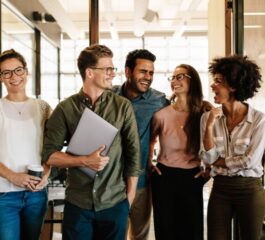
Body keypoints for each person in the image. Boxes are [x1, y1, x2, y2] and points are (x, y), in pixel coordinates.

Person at [42, 44, 141, 240]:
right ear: (89, 72)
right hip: (78, 203)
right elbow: (50, 155)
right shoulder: (65, 109)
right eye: (107, 69)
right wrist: (85, 160)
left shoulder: (122, 107)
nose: (113, 74)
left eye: (113, 68)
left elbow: (133, 154)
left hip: (114, 202)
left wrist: (129, 199)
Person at [200, 55, 265, 240]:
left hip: (250, 189)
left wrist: (217, 162)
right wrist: (210, 124)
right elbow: (206, 157)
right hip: (220, 188)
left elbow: (250, 161)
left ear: (234, 86)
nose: (213, 85)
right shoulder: (208, 118)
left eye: (219, 81)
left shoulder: (259, 120)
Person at [149, 64, 211, 240]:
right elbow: (151, 140)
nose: (175, 81)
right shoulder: (161, 115)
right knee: (165, 230)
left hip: (192, 177)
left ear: (193, 81)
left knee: (192, 231)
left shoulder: (204, 112)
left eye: (180, 76)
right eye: (173, 78)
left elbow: (214, 144)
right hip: (164, 176)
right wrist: (149, 163)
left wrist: (209, 169)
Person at [113, 49, 168, 240]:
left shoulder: (159, 100)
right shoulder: (109, 95)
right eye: (143, 71)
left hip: (141, 180)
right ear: (128, 72)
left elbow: (182, 112)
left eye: (151, 72)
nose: (148, 77)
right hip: (109, 181)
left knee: (140, 235)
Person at [0, 49, 51, 240]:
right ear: (1, 78)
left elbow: (52, 146)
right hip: (4, 196)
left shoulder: (43, 107)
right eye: (6, 72)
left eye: (18, 70)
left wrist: (47, 173)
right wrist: (13, 176)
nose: (14, 77)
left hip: (36, 195)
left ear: (26, 72)